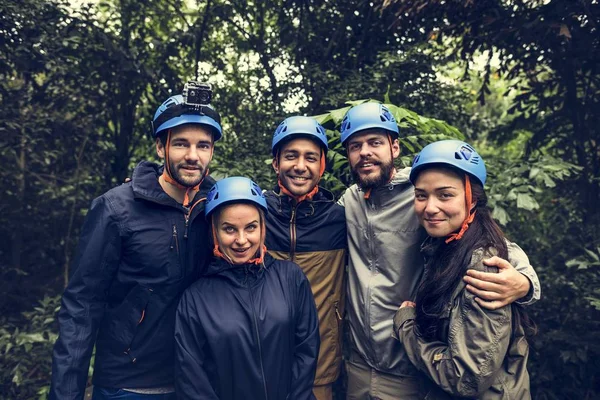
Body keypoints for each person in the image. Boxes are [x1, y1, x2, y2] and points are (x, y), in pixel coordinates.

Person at [337, 102, 541, 399]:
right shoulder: (349, 201)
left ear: (394, 147)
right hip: (359, 364)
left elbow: (491, 242)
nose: (365, 151)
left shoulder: (422, 188)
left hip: (410, 367)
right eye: (355, 145)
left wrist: (524, 283)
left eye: (375, 142)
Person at [50, 87, 222, 400]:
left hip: (195, 381)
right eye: (181, 144)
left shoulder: (217, 209)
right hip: (128, 384)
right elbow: (82, 306)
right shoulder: (116, 209)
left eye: (203, 145)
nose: (193, 155)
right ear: (160, 146)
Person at [393, 140, 533, 398]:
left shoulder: (485, 267)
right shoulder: (442, 247)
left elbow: (466, 379)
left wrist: (406, 326)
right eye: (421, 195)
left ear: (472, 199)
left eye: (445, 195)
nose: (430, 207)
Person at [174, 176, 320, 400]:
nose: (241, 240)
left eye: (250, 227)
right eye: (229, 229)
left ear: (263, 227)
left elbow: (306, 351)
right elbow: (192, 380)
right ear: (214, 232)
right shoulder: (196, 299)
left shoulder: (291, 278)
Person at [265, 116, 347, 400]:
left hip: (320, 369)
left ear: (322, 166)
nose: (300, 166)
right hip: (260, 363)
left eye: (311, 157)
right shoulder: (256, 214)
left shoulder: (340, 219)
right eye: (291, 156)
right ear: (276, 163)